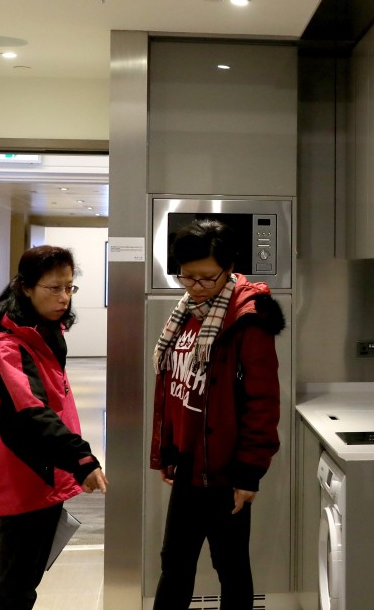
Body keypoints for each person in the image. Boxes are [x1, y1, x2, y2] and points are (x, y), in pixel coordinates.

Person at [150, 219, 284, 610]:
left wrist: (249, 473)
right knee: (174, 563)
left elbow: (263, 400)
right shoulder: (187, 311)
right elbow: (174, 387)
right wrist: (169, 449)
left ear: (228, 268)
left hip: (227, 469)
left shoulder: (248, 317)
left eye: (206, 279)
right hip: (190, 462)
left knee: (230, 566)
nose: (195, 287)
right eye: (186, 277)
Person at [0, 245, 108, 610]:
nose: (64, 297)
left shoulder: (45, 333)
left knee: (25, 581)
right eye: (54, 288)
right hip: (22, 476)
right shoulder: (8, 347)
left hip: (43, 471)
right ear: (26, 288)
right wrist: (81, 458)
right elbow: (32, 412)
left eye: (69, 287)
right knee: (15, 586)